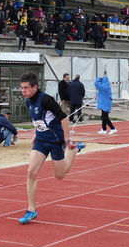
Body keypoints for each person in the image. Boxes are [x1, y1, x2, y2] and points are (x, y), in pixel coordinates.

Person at [18, 71, 85, 224]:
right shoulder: (29, 100)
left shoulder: (46, 100)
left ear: (35, 87)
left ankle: (74, 151)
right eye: (22, 88)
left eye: (26, 88)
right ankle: (31, 210)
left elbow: (64, 118)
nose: (23, 91)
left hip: (56, 141)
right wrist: (36, 132)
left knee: (59, 176)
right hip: (41, 141)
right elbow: (40, 120)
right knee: (31, 171)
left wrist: (67, 140)